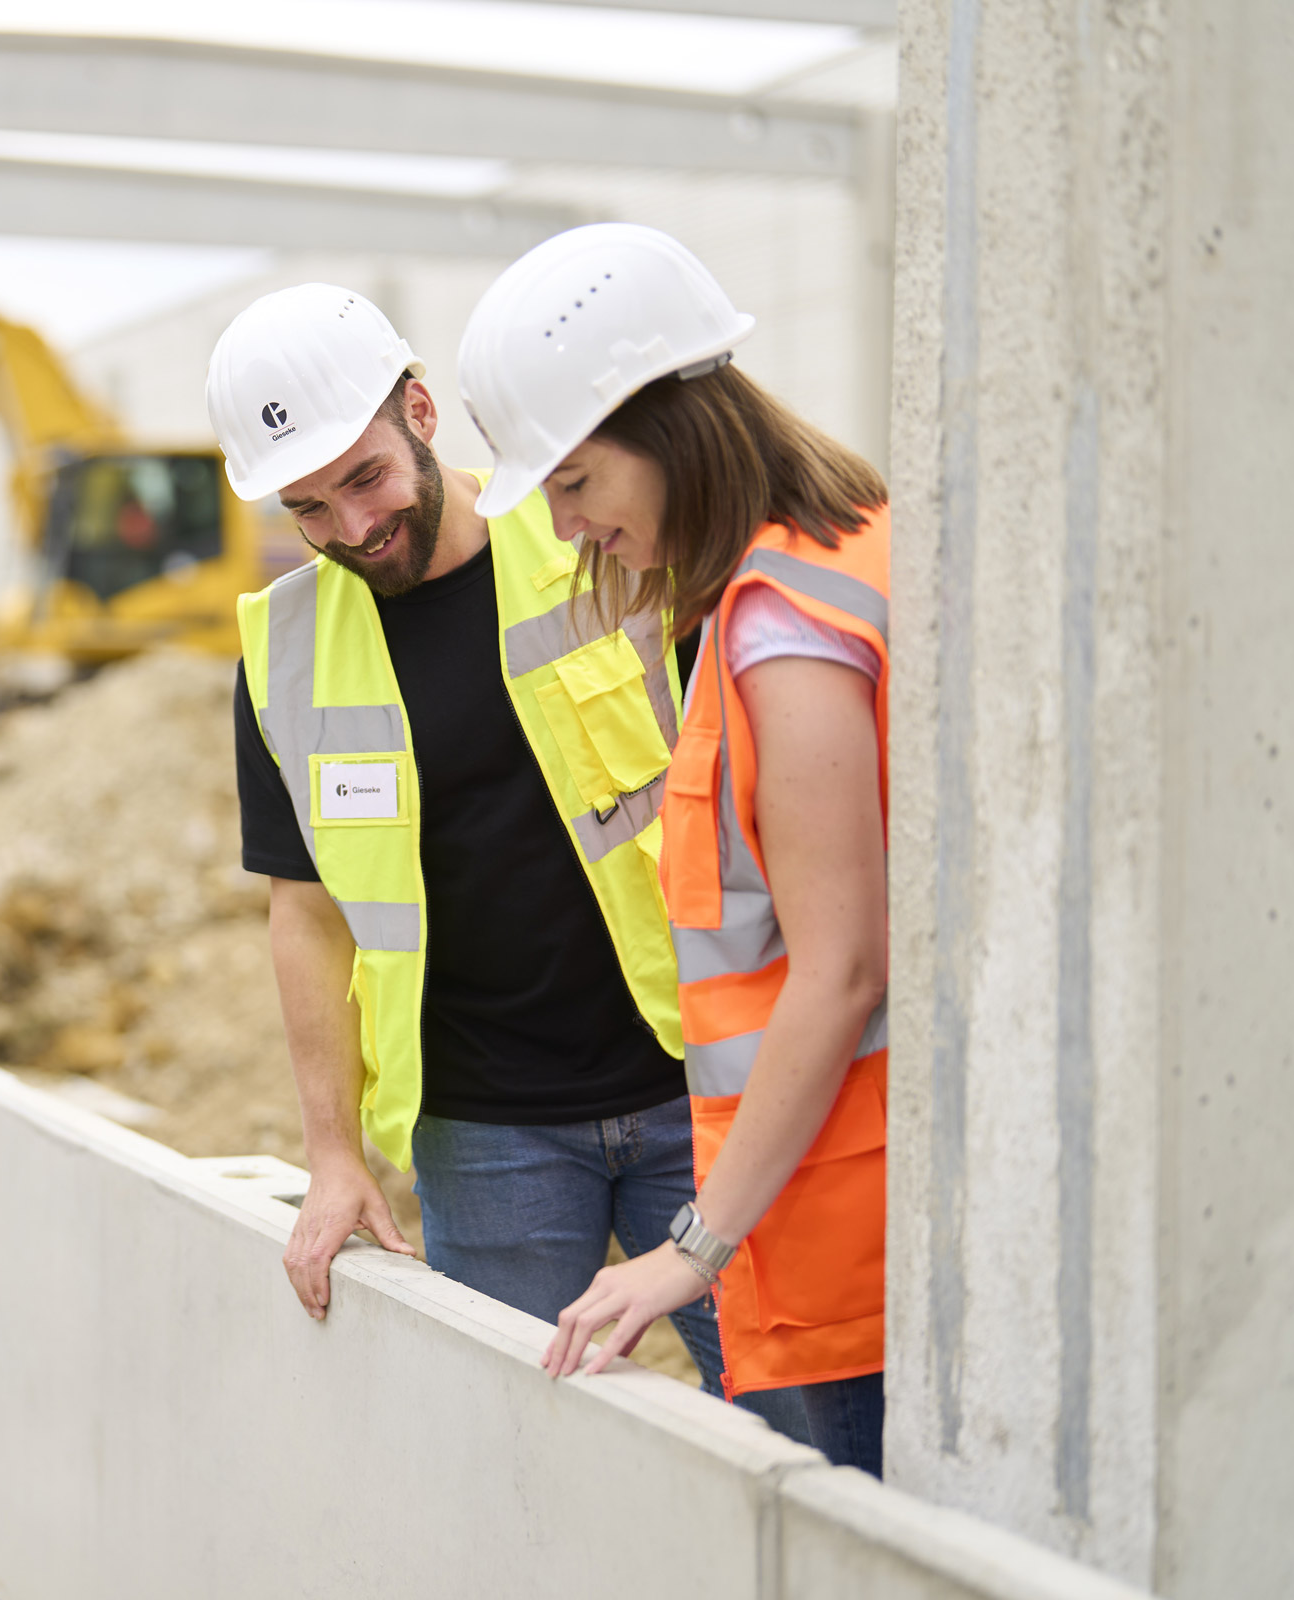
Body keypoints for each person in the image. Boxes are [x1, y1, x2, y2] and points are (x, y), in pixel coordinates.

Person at [206, 282, 788, 1428]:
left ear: (420, 411)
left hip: (701, 1084)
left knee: (793, 1407)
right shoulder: (280, 650)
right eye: (307, 507)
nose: (351, 528)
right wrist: (332, 1153)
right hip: (486, 1135)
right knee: (517, 1448)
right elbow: (307, 913)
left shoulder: (598, 542)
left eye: (363, 479)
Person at [457, 224, 892, 1473]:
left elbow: (840, 969)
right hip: (837, 1208)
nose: (566, 523)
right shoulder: (840, 548)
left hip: (841, 1237)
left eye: (578, 480)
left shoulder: (781, 634)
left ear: (668, 426)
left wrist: (688, 1248)